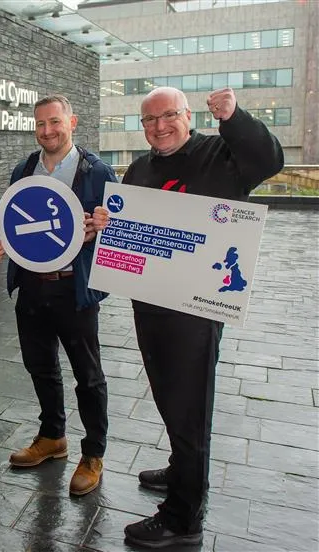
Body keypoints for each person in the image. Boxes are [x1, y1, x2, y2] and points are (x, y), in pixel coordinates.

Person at [121, 87, 283, 549]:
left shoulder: (221, 153)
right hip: (150, 305)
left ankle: (182, 516)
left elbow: (269, 159)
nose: (158, 127)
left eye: (168, 116)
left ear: (188, 116)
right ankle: (181, 469)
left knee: (190, 407)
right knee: (169, 396)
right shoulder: (139, 168)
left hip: (196, 311)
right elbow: (126, 226)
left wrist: (233, 117)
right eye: (149, 120)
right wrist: (104, 228)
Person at [2, 95, 113, 496]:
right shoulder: (23, 169)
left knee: (88, 375)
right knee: (40, 366)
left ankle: (93, 453)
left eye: (54, 122)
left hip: (74, 287)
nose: (47, 131)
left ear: (72, 121)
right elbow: (14, 224)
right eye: (40, 124)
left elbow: (119, 231)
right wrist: (0, 236)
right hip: (31, 286)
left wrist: (103, 225)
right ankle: (53, 437)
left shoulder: (97, 171)